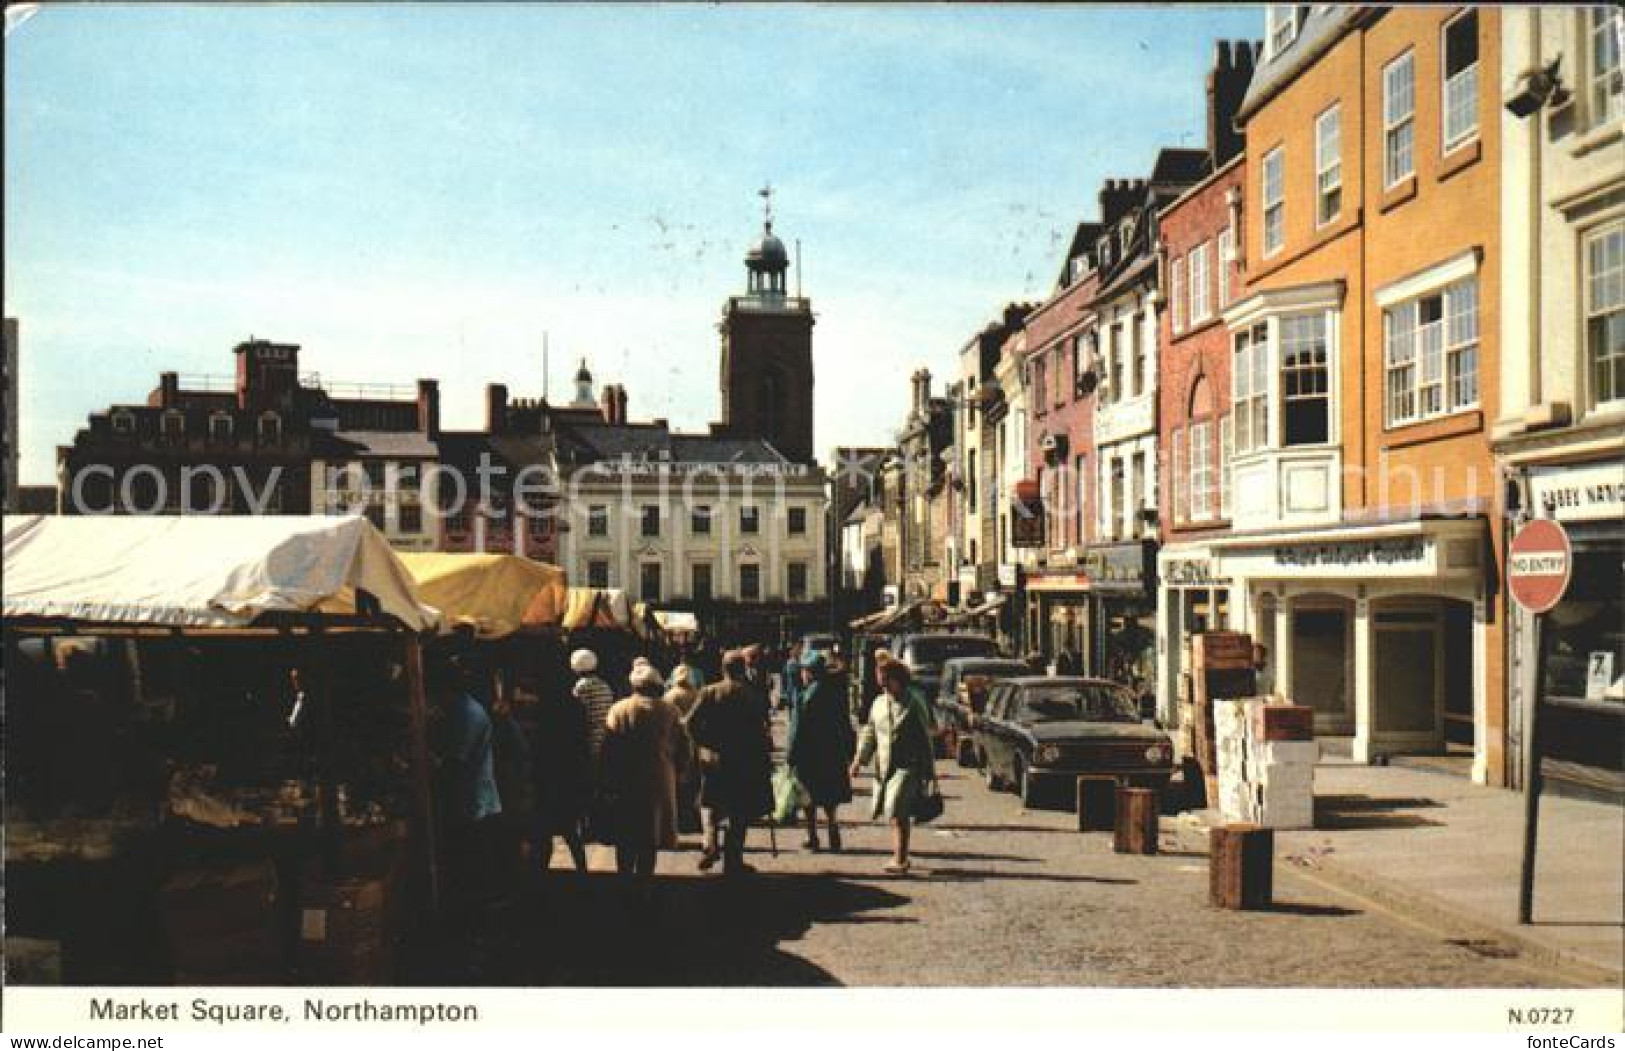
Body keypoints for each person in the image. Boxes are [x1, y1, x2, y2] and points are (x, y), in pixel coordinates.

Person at [685, 649, 774, 875]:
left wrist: (703, 744)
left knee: (712, 805)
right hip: (743, 761)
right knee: (738, 811)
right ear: (743, 670)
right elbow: (761, 732)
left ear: (722, 669)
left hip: (713, 760)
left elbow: (689, 723)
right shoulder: (752, 696)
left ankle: (711, 845)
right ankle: (733, 860)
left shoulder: (709, 692)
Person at [599, 663, 688, 884]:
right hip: (659, 781)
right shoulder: (671, 711)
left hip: (625, 782)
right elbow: (685, 748)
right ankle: (645, 885)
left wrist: (605, 779)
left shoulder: (618, 709)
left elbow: (607, 749)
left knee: (626, 836)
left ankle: (625, 882)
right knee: (650, 838)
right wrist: (680, 774)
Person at [432, 660, 503, 921]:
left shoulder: (466, 714)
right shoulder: (461, 709)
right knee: (472, 862)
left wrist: (433, 766)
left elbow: (456, 762)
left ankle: (473, 921)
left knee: (471, 863)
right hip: (474, 798)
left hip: (474, 800)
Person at [850, 661, 937, 875]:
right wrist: (858, 761)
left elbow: (925, 738)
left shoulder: (914, 703)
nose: (885, 689)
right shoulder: (878, 703)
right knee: (892, 812)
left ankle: (901, 859)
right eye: (882, 685)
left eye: (888, 683)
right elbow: (869, 732)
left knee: (898, 809)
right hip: (884, 765)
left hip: (908, 765)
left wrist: (930, 772)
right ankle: (900, 855)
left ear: (899, 680)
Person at [787, 650, 855, 852]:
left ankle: (812, 836)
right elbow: (846, 725)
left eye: (803, 671)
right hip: (832, 752)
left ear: (809, 673)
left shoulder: (804, 698)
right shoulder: (836, 694)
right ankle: (833, 830)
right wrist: (850, 751)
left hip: (809, 755)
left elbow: (796, 730)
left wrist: (790, 756)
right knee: (830, 795)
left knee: (808, 797)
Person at [526, 670, 591, 875]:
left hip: (548, 773)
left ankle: (542, 871)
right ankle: (582, 870)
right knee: (569, 828)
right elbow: (582, 742)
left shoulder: (545, 707)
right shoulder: (577, 707)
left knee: (544, 828)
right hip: (570, 774)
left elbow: (539, 742)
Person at [779, 642, 805, 713]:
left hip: (794, 693)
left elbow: (783, 681)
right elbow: (784, 680)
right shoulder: (791, 664)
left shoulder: (799, 663)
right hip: (794, 693)